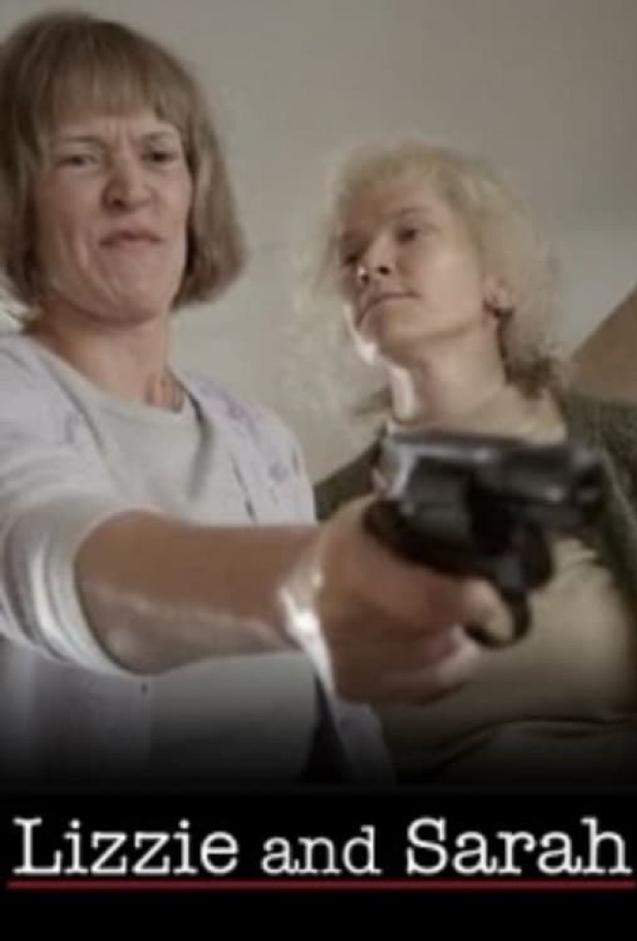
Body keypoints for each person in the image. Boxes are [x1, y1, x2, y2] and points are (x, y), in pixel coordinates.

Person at [0, 14, 498, 787]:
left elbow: (345, 728)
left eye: (159, 154)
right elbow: (52, 561)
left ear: (193, 193)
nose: (131, 189)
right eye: (81, 157)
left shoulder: (260, 440)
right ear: (16, 199)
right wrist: (319, 576)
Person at [311, 141, 637, 784]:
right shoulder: (314, 514)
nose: (371, 265)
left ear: (499, 282)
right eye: (351, 256)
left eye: (410, 233)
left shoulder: (627, 447)